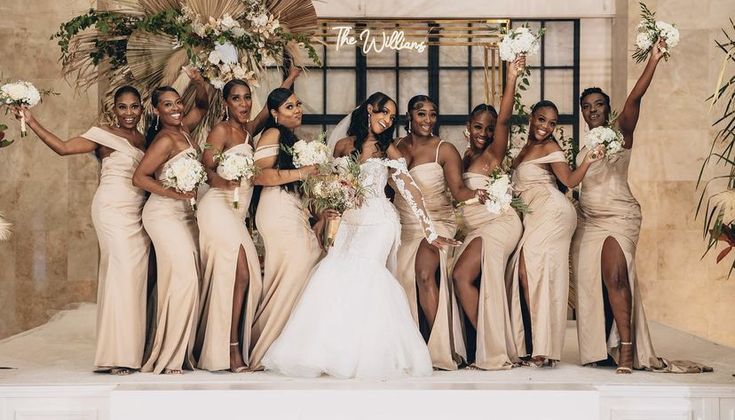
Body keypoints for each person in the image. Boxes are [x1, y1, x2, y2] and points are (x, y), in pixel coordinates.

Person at [263, 92, 458, 378]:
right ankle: (334, 352)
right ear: (369, 110)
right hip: (349, 222)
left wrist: (430, 231)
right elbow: (327, 185)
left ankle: (373, 355)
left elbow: (409, 188)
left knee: (368, 276)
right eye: (383, 113)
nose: (387, 120)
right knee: (332, 274)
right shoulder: (343, 146)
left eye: (392, 117)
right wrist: (329, 210)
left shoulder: (388, 149)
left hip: (379, 222)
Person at [14, 86, 149, 375]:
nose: (128, 113)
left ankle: (132, 349)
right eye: (122, 107)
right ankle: (116, 355)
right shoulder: (102, 134)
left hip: (137, 213)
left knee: (133, 279)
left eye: (134, 107)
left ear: (141, 108)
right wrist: (32, 120)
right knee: (120, 274)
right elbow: (63, 148)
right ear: (114, 109)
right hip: (112, 210)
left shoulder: (144, 138)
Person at [194, 69, 300, 373]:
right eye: (236, 98)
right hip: (217, 207)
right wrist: (225, 182)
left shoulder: (250, 132)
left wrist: (289, 79)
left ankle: (228, 345)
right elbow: (206, 168)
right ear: (226, 102)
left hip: (238, 214)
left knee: (246, 277)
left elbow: (273, 105)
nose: (243, 103)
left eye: (246, 97)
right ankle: (230, 351)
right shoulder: (222, 130)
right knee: (240, 273)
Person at [572, 39, 667, 373]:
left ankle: (627, 349)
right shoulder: (582, 147)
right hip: (588, 221)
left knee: (615, 275)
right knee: (590, 284)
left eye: (598, 104)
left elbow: (636, 98)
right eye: (586, 106)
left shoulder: (620, 131)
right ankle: (600, 348)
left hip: (619, 216)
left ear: (608, 109)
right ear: (582, 112)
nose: (593, 109)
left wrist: (653, 59)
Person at [391, 95, 485, 370]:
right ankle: (409, 347)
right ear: (409, 115)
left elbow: (458, 192)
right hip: (404, 226)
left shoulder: (445, 150)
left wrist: (478, 194)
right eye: (422, 114)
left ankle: (441, 349)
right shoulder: (394, 147)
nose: (428, 120)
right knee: (398, 275)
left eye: (433, 114)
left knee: (422, 272)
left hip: (438, 222)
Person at [508, 99, 603, 367]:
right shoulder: (525, 148)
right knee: (528, 275)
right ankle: (537, 346)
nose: (546, 127)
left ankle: (541, 349)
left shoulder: (550, 146)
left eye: (552, 123)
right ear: (531, 118)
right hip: (535, 214)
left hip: (552, 211)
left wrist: (589, 160)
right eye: (541, 119)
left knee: (534, 274)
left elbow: (570, 181)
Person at [132, 68, 210, 374]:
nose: (176, 108)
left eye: (178, 102)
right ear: (156, 110)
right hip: (163, 215)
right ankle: (168, 358)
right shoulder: (164, 139)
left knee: (190, 280)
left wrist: (199, 83)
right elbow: (139, 177)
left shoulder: (184, 130)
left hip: (184, 216)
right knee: (183, 280)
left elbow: (202, 106)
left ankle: (180, 352)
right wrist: (174, 194)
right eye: (168, 104)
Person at [452, 56, 524, 370]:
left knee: (462, 275)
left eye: (489, 128)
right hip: (476, 229)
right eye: (478, 126)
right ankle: (484, 345)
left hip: (500, 223)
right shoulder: (463, 156)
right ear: (468, 128)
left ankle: (492, 349)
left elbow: (506, 119)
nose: (484, 132)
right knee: (459, 276)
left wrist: (511, 77)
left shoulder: (494, 153)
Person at [247, 88, 321, 369]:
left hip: (292, 207)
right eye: (289, 107)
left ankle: (287, 345)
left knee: (298, 270)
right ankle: (263, 347)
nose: (297, 110)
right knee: (296, 268)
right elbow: (259, 175)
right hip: (276, 209)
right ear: (275, 113)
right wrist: (303, 172)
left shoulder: (290, 138)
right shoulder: (273, 134)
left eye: (297, 104)